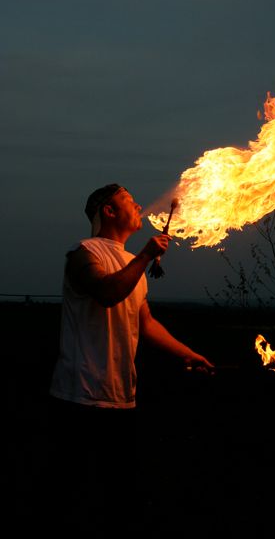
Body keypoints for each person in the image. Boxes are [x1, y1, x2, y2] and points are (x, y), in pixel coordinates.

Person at [47, 183, 215, 528]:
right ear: (108, 211)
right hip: (79, 396)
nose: (138, 205)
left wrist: (189, 354)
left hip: (121, 397)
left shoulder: (130, 264)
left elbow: (146, 322)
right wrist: (145, 256)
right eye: (129, 201)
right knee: (66, 493)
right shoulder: (84, 253)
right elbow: (108, 293)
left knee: (121, 494)